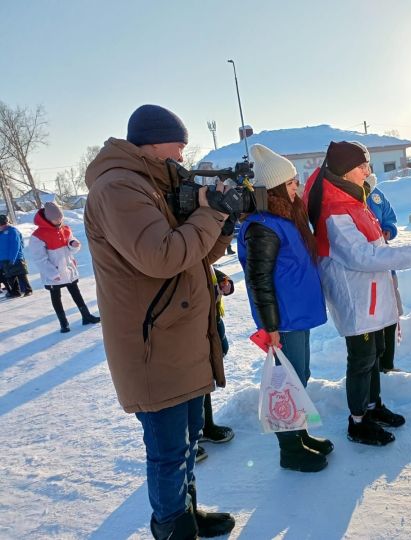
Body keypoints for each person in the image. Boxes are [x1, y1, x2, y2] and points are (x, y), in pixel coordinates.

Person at [83, 104, 236, 539]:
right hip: (152, 344)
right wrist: (209, 213)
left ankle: (187, 511)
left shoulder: (153, 184)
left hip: (177, 339)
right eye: (180, 146)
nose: (184, 157)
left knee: (187, 442)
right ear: (152, 141)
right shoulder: (119, 189)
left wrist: (221, 221)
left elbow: (195, 257)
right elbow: (163, 256)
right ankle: (170, 525)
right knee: (168, 451)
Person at [305, 141, 411, 447]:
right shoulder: (335, 211)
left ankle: (373, 407)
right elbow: (361, 257)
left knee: (372, 357)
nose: (368, 171)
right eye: (363, 166)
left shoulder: (352, 200)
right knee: (361, 359)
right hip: (357, 299)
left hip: (370, 295)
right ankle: (357, 421)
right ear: (346, 171)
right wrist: (409, 255)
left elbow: (375, 247)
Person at [237, 143, 331, 472]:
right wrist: (270, 326)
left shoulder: (283, 218)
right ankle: (290, 450)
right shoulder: (263, 227)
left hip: (296, 316)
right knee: (288, 382)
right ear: (276, 187)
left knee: (299, 376)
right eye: (291, 183)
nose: (297, 187)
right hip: (283, 321)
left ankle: (299, 435)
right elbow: (258, 281)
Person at [28, 202, 99, 332]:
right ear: (48, 219)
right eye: (56, 219)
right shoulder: (38, 236)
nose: (59, 221)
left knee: (76, 293)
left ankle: (86, 316)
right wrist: (52, 273)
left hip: (68, 269)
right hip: (53, 274)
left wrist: (73, 244)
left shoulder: (65, 228)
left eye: (60, 218)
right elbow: (39, 259)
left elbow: (69, 246)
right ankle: (63, 323)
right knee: (56, 298)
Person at [196, 267, 236, 462]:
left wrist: (223, 281)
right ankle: (188, 440)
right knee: (189, 382)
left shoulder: (198, 250)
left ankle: (205, 426)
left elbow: (208, 267)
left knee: (205, 377)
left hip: (210, 323)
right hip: (186, 328)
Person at [365, 173, 403, 373]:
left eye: (365, 165)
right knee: (374, 318)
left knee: (391, 313)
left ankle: (388, 364)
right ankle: (375, 365)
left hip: (386, 265)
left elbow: (390, 218)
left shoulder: (376, 194)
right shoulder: (348, 196)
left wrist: (388, 229)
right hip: (366, 270)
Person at [0, 214, 33, 298]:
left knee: (21, 274)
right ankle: (16, 292)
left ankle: (27, 290)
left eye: (3, 225)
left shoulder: (12, 231)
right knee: (10, 277)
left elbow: (16, 245)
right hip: (3, 259)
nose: (2, 226)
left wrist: (13, 258)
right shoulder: (1, 233)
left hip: (15, 258)